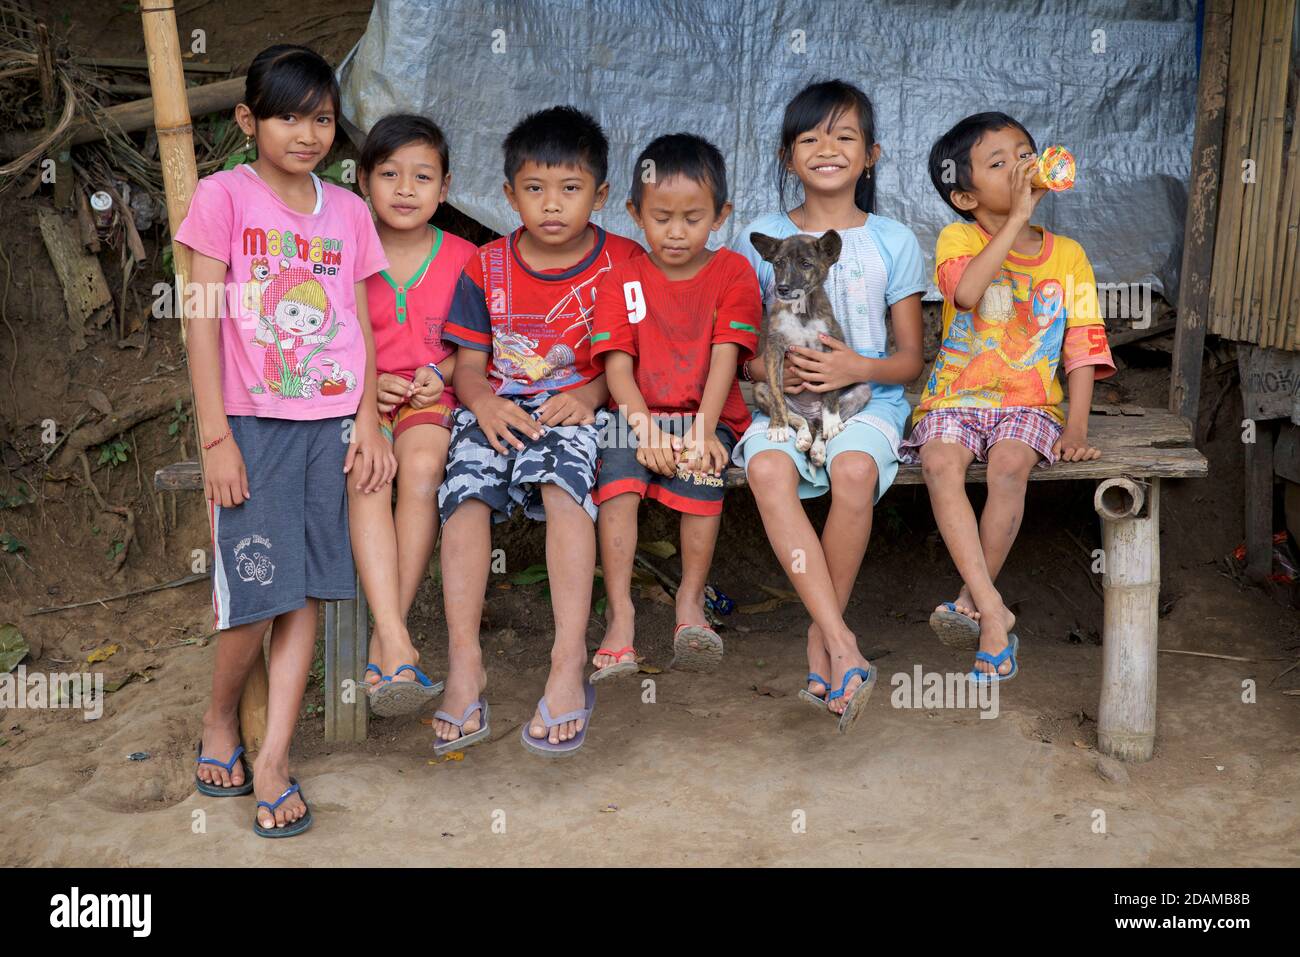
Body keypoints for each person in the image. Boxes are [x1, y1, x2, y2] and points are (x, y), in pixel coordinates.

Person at [177, 44, 392, 835]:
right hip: (252, 426)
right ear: (248, 120)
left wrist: (366, 417)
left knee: (303, 591)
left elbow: (360, 322)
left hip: (329, 425)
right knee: (254, 591)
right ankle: (218, 718)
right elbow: (200, 321)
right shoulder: (223, 196)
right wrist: (214, 437)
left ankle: (273, 758)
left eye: (323, 118)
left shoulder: (349, 212)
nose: (308, 134)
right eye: (289, 116)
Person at [434, 106, 643, 756]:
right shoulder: (486, 265)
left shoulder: (623, 262)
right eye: (534, 189)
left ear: (601, 195)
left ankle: (566, 660)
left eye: (571, 189)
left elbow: (636, 356)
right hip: (500, 403)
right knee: (463, 486)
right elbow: (469, 365)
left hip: (580, 411)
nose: (552, 205)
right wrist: (484, 403)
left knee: (563, 486)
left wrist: (590, 391)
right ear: (508, 194)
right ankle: (465, 662)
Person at [732, 80, 925, 733]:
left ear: (871, 154)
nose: (827, 149)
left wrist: (852, 367)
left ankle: (823, 643)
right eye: (810, 138)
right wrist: (777, 369)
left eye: (844, 137)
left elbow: (908, 361)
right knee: (766, 470)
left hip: (868, 399)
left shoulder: (893, 240)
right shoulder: (758, 237)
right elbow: (741, 354)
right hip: (785, 403)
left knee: (852, 470)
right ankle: (843, 644)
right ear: (789, 156)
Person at [900, 112, 1114, 682]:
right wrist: (1017, 216)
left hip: (1030, 403)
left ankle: (973, 604)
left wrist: (1076, 428)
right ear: (966, 196)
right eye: (999, 162)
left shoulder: (1067, 255)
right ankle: (994, 614)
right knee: (940, 462)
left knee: (1010, 466)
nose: (1021, 164)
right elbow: (967, 293)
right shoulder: (958, 237)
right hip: (953, 397)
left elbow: (1083, 345)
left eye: (1025, 152)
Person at [589, 133, 760, 680]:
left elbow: (725, 358)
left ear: (721, 215)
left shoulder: (733, 272)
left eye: (693, 217)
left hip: (707, 415)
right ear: (635, 213)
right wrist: (641, 427)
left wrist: (705, 431)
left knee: (702, 473)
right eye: (661, 217)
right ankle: (621, 618)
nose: (677, 231)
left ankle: (690, 606)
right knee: (616, 483)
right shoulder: (623, 277)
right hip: (635, 415)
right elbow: (617, 366)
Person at [352, 114, 476, 716]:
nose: (405, 189)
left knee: (423, 470)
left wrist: (443, 373)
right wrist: (365, 387)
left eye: (422, 177)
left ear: (445, 187)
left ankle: (386, 640)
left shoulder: (464, 258)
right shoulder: (347, 253)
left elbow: (479, 345)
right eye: (390, 174)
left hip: (431, 400)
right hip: (361, 404)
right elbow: (326, 335)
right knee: (371, 475)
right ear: (362, 181)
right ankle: (397, 642)